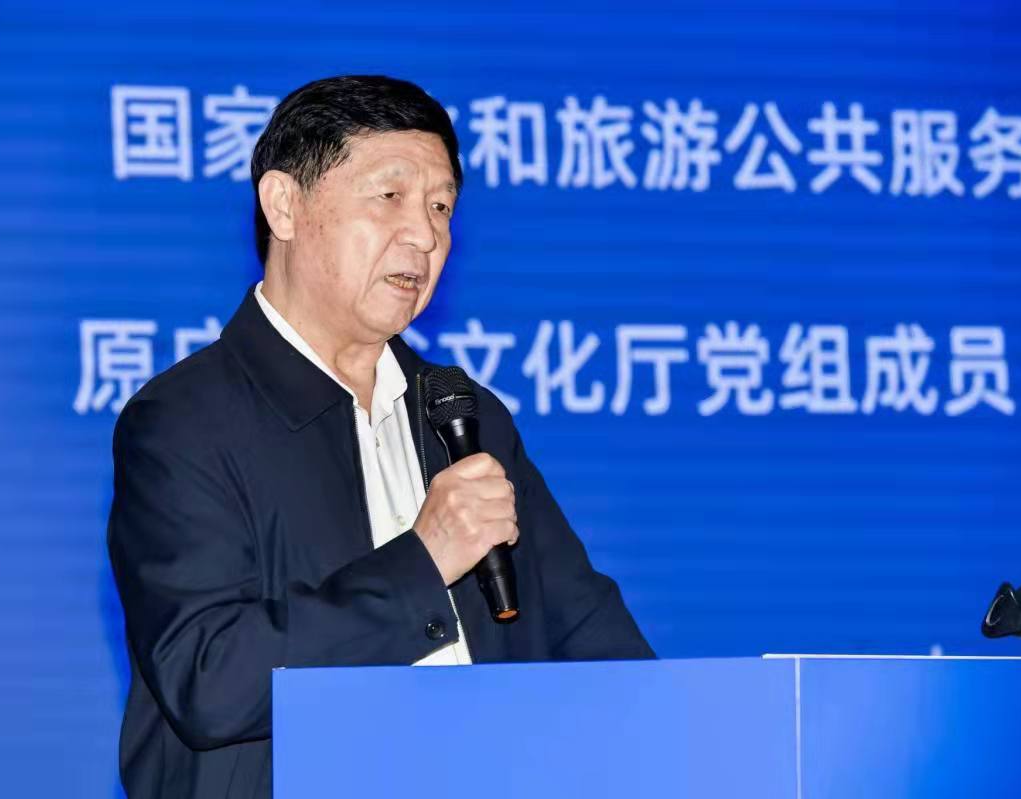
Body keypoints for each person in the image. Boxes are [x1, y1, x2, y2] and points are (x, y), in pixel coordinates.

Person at [107, 74, 654, 799]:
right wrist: (425, 561)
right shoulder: (184, 420)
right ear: (284, 205)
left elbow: (593, 639)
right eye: (390, 195)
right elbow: (210, 679)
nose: (426, 235)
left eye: (441, 206)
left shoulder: (465, 417)